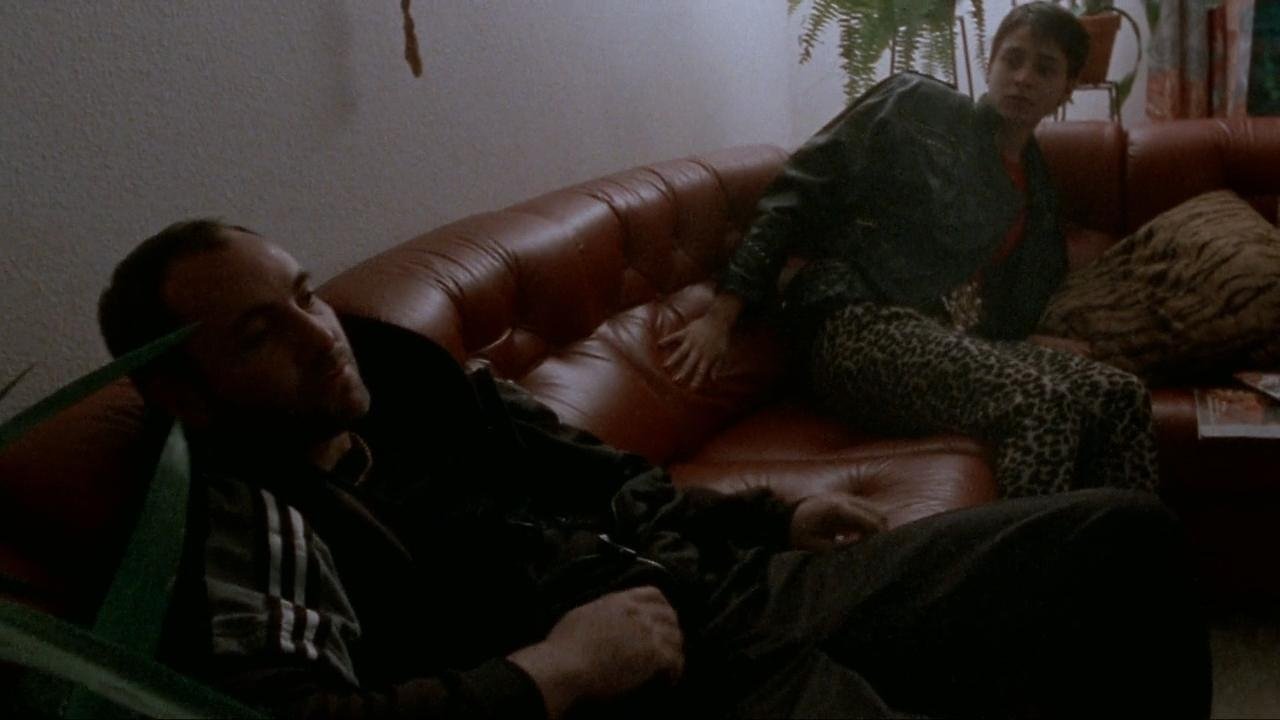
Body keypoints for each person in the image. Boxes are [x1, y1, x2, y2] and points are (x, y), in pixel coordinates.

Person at [98, 219, 1211, 719]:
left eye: (304, 294)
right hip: (668, 683)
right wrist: (553, 672)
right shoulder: (248, 511)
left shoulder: (416, 383)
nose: (318, 336)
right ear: (185, 391)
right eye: (260, 335)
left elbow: (606, 477)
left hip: (738, 588)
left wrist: (772, 515)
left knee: (1120, 536)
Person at [661, 2, 1158, 499]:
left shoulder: (1039, 189)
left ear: (1067, 89)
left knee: (1119, 395)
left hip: (953, 342)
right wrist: (722, 314)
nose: (1023, 78)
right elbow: (797, 192)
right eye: (1013, 59)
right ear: (990, 64)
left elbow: (1002, 299)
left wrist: (1030, 339)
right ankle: (1015, 549)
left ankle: (1116, 542)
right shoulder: (916, 106)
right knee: (1040, 401)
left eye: (1045, 69)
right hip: (859, 324)